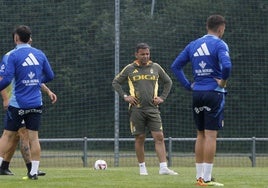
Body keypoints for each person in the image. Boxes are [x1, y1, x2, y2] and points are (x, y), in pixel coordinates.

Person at [171, 15, 232, 186]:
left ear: (207, 27)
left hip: (197, 93)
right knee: (211, 135)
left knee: (200, 134)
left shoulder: (193, 44)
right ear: (220, 29)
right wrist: (223, 81)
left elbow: (175, 66)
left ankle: (199, 177)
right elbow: (227, 66)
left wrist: (188, 85)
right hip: (214, 92)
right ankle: (206, 178)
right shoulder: (220, 44)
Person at [112, 43, 178, 175]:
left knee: (159, 137)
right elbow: (116, 82)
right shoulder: (130, 69)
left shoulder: (156, 67)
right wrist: (126, 96)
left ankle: (163, 167)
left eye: (147, 54)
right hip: (137, 109)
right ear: (136, 54)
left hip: (153, 109)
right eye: (142, 54)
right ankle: (142, 168)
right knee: (140, 138)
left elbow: (168, 82)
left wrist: (162, 97)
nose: (145, 56)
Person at [0, 25, 54, 180]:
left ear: (16, 38)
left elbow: (7, 78)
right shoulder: (39, 54)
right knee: (34, 138)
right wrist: (35, 81)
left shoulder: (11, 55)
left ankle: (3, 165)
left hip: (18, 104)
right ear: (30, 38)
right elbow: (50, 75)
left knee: (7, 136)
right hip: (36, 103)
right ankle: (33, 172)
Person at [0, 84, 57, 176]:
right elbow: (2, 79)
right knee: (22, 134)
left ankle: (4, 167)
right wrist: (6, 99)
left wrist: (48, 91)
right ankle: (31, 169)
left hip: (26, 105)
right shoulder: (9, 70)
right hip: (15, 105)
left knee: (15, 137)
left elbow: (37, 80)